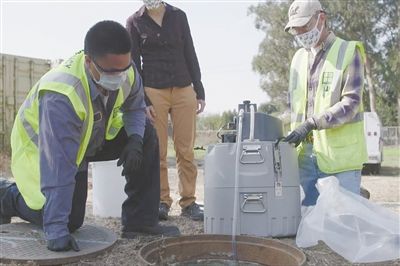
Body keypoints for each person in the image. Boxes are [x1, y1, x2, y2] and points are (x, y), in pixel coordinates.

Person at [0, 20, 179, 252]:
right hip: (46, 150)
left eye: (124, 69)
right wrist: (55, 230)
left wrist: (135, 140)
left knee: (146, 132)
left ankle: (141, 222)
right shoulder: (62, 95)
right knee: (69, 222)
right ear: (88, 61)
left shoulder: (126, 69)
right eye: (111, 72)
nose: (119, 77)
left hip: (91, 138)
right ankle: (6, 196)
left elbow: (135, 107)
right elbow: (58, 166)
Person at [126, 0, 205, 221]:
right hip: (153, 91)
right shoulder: (134, 22)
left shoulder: (179, 15)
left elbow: (190, 51)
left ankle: (189, 202)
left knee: (185, 150)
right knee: (157, 151)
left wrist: (199, 89)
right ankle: (161, 201)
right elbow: (134, 65)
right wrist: (143, 99)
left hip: (183, 87)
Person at [284, 0, 367, 206]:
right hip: (305, 157)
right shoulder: (298, 59)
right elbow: (293, 107)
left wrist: (312, 123)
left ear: (321, 18)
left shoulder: (348, 51)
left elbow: (350, 104)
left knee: (345, 225)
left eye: (304, 26)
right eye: (296, 29)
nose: (301, 32)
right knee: (310, 225)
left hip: (341, 159)